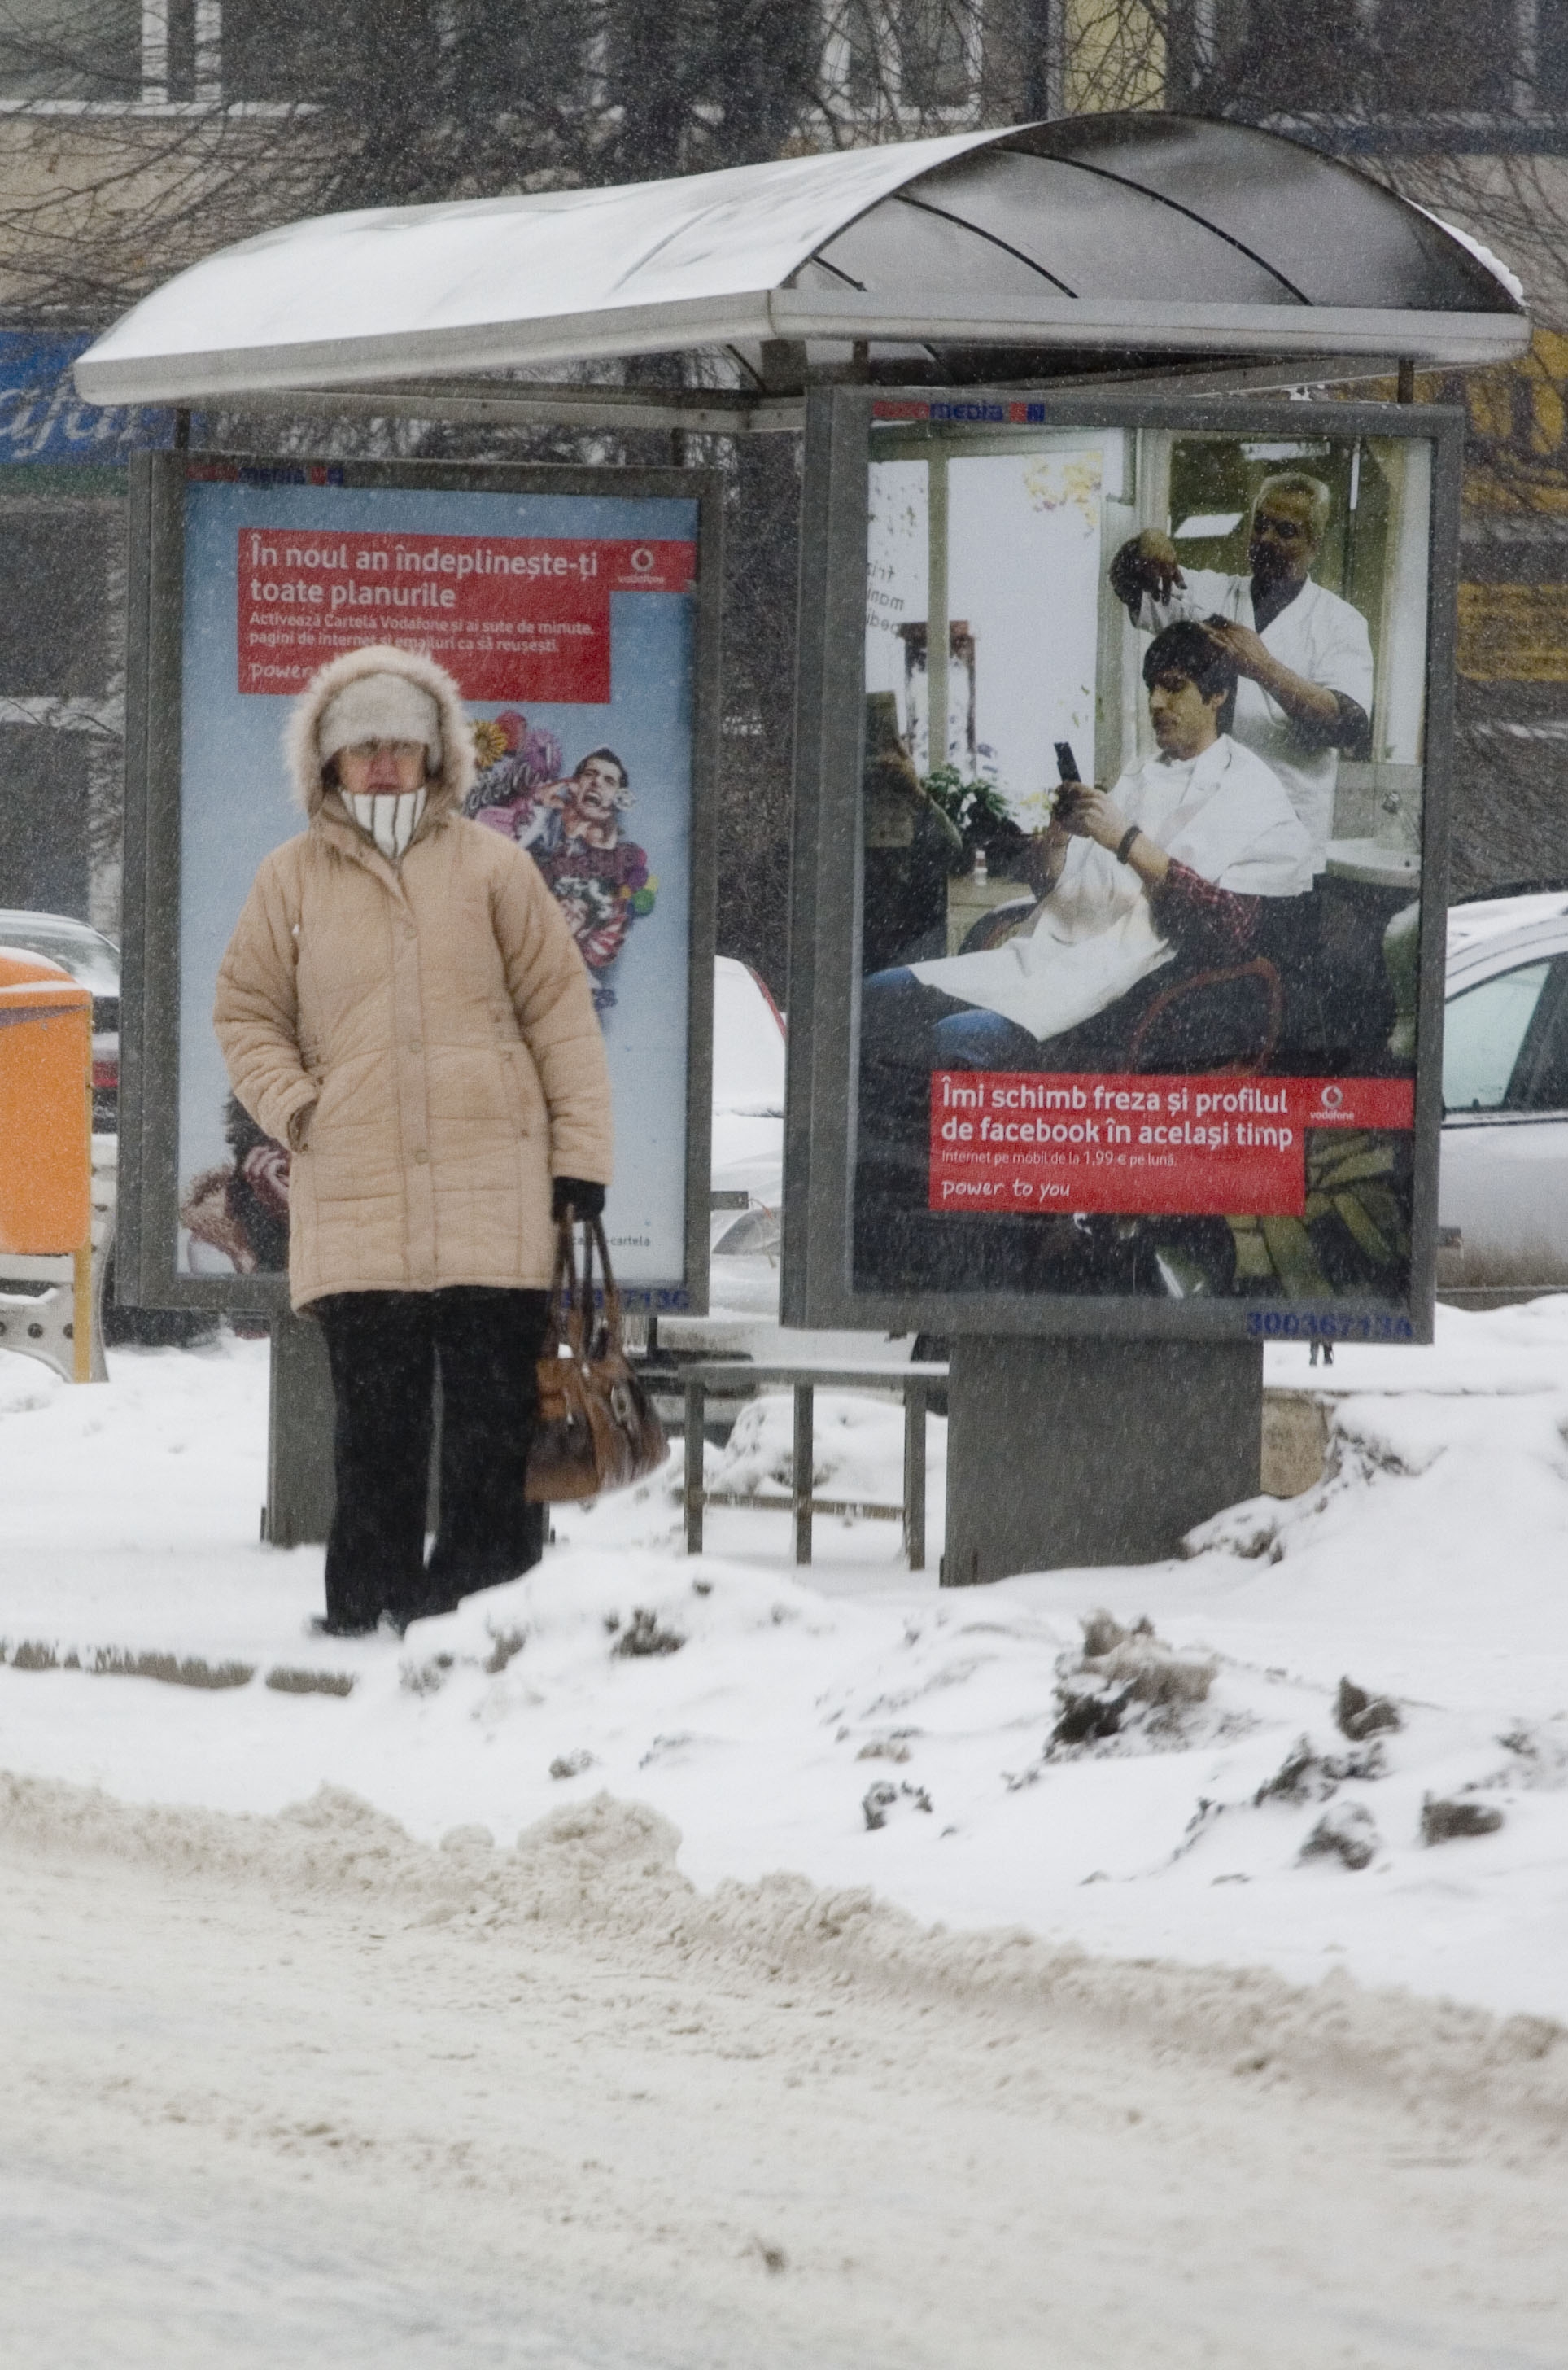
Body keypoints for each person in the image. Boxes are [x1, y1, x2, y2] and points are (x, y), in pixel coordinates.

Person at [214, 643, 614, 1636]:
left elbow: (561, 1013)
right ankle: (365, 1602)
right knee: (376, 1428)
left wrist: (580, 1162)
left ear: (436, 756)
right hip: (357, 1188)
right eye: (362, 748)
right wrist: (301, 1106)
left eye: (400, 744)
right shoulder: (290, 878)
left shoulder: (495, 867)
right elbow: (244, 1011)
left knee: (490, 1420)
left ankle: (481, 1603)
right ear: (328, 762)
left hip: (494, 1184)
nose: (382, 764)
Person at [859, 620, 1313, 1094]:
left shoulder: (1249, 790)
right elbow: (1058, 889)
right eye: (1152, 688)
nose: (1157, 702)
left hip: (1120, 989)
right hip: (1046, 960)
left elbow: (1227, 930)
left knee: (951, 1042)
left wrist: (1126, 840)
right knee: (875, 996)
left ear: (1217, 696)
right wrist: (1058, 838)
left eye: (1174, 688)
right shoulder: (1140, 773)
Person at [1108, 471, 1374, 874]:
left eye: (1286, 530)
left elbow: (1349, 727)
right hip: (1203, 833)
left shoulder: (1340, 622)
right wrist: (1145, 545)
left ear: (1314, 545)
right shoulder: (1211, 595)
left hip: (1284, 840)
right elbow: (1130, 585)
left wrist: (1261, 667)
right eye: (1261, 525)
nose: (1267, 539)